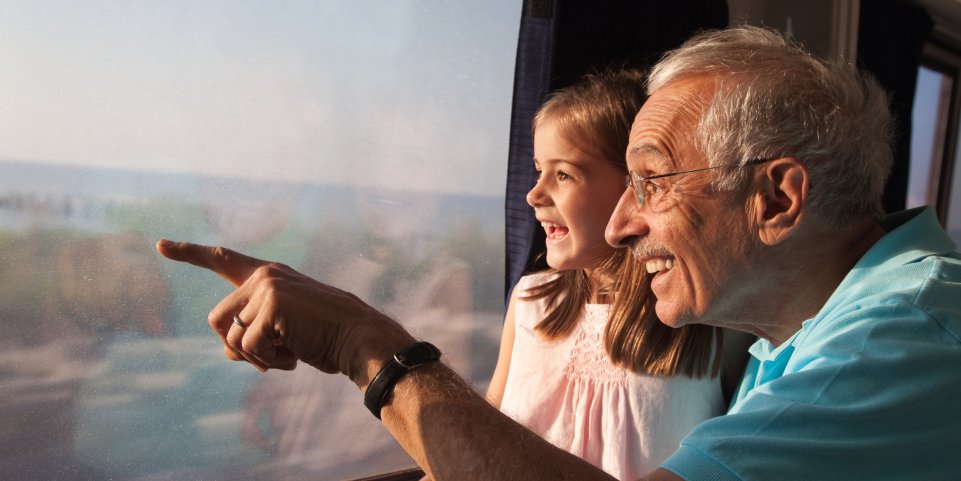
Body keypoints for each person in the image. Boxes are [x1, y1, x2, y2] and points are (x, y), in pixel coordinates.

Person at [156, 25, 961, 481]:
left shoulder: (896, 342)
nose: (618, 226)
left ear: (776, 199)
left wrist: (369, 347)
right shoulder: (793, 340)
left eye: (651, 183)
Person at [487, 69, 732, 481]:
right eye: (537, 171)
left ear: (637, 186)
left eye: (563, 174)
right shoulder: (529, 301)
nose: (534, 194)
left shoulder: (707, 318)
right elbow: (487, 435)